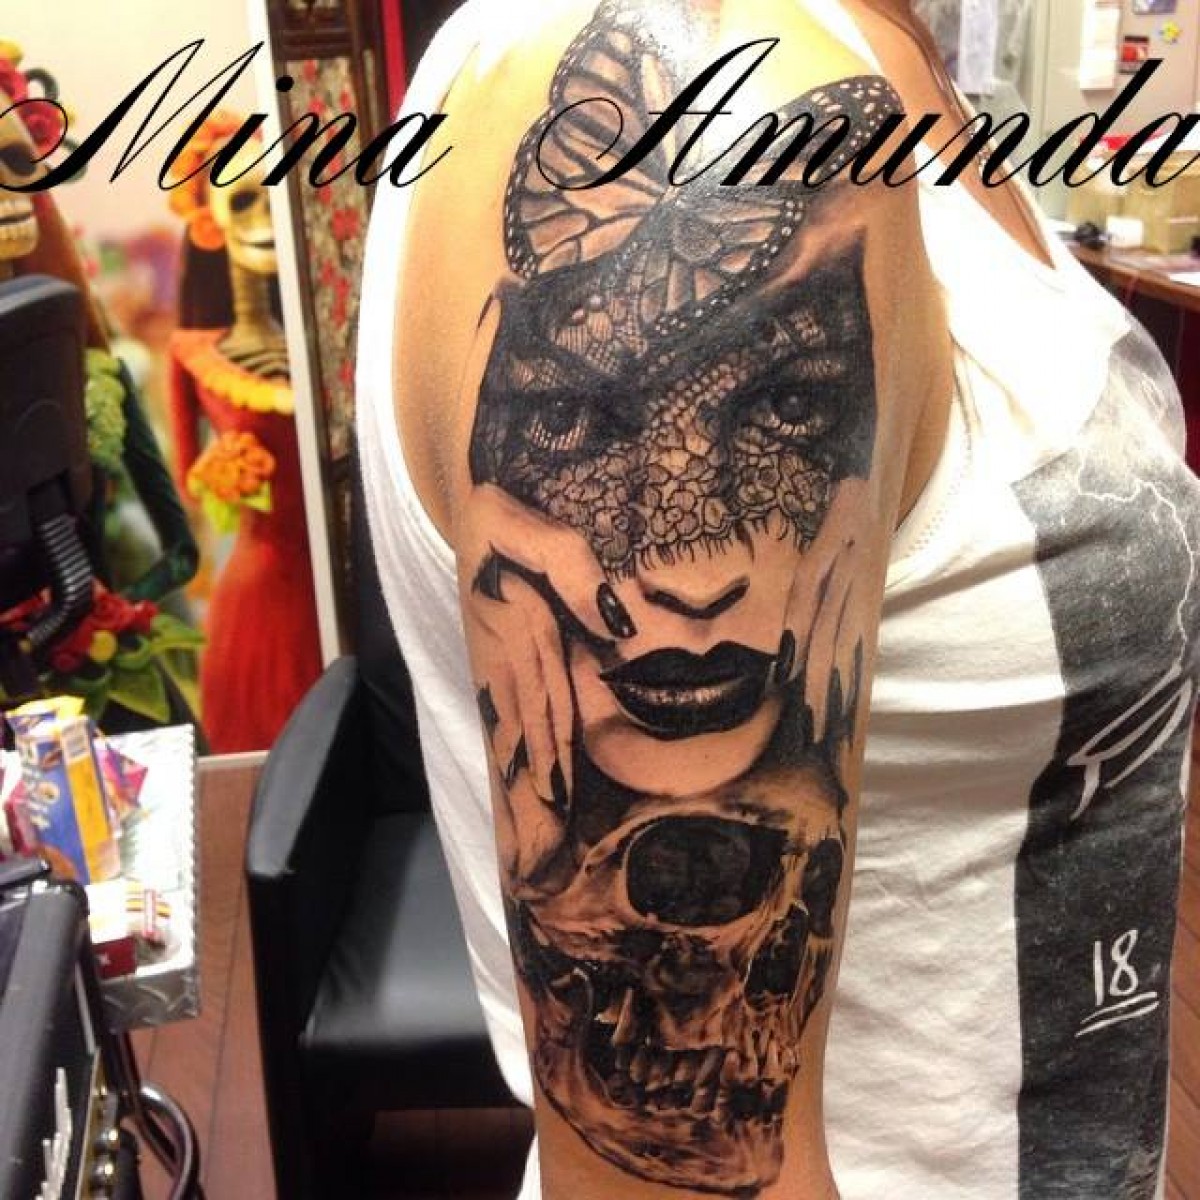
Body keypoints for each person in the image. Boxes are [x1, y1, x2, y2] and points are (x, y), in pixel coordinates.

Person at [357, 1, 1200, 1196]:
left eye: (789, 408)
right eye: (574, 421)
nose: (696, 574)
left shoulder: (872, 55)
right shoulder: (721, 92)